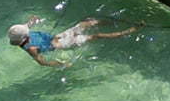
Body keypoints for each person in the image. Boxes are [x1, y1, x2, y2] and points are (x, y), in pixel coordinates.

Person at [8, 17, 140, 68]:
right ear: (24, 38)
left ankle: (119, 21)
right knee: (96, 36)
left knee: (87, 23)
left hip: (59, 36)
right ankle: (128, 31)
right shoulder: (31, 49)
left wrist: (33, 20)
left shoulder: (21, 34)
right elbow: (42, 62)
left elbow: (28, 24)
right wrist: (62, 65)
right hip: (63, 44)